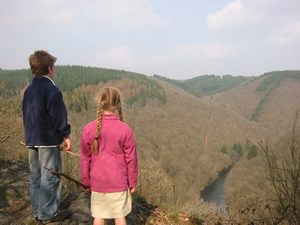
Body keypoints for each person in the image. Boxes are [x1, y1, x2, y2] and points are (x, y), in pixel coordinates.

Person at [22, 50, 71, 224]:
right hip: (48, 141)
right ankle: (48, 213)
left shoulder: (28, 90)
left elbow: (26, 115)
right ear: (49, 68)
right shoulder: (52, 90)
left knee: (35, 176)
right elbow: (58, 117)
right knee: (50, 176)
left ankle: (37, 211)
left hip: (31, 139)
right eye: (53, 67)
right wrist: (65, 135)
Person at [80, 87, 138, 225]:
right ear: (118, 105)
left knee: (99, 217)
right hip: (118, 182)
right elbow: (131, 159)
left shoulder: (88, 129)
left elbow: (85, 159)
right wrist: (132, 181)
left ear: (99, 103)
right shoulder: (125, 129)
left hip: (97, 182)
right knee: (119, 217)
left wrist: (85, 182)